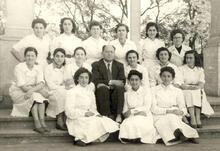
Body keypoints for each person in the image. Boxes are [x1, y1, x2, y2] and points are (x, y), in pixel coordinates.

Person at [65, 68, 119, 146]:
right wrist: (84, 113)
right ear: (77, 79)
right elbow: (69, 111)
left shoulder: (90, 92)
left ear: (89, 79)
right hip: (76, 117)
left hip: (89, 115)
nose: (84, 80)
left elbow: (93, 108)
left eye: (86, 77)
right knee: (88, 122)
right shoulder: (72, 92)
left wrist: (96, 114)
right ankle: (80, 139)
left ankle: (87, 138)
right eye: (81, 77)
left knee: (104, 120)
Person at [151, 66, 199, 146]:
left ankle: (180, 135)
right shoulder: (153, 90)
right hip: (159, 115)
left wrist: (181, 112)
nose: (166, 78)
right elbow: (153, 108)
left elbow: (183, 108)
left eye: (169, 76)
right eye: (164, 76)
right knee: (168, 119)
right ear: (160, 77)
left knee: (172, 118)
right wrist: (169, 111)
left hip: (174, 114)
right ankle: (184, 135)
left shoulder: (177, 91)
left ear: (172, 78)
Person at [9, 47, 49, 134]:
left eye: (32, 56)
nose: (30, 58)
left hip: (32, 90)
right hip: (18, 91)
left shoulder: (38, 67)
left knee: (39, 96)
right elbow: (23, 87)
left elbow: (41, 83)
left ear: (36, 57)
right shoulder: (19, 67)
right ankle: (37, 123)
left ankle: (42, 122)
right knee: (35, 96)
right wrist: (38, 90)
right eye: (28, 56)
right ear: (24, 57)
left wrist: (35, 90)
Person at [119, 70, 158, 144]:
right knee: (126, 124)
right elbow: (125, 111)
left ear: (140, 81)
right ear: (129, 81)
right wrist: (134, 112)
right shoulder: (126, 94)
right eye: (132, 80)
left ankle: (139, 137)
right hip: (131, 116)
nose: (134, 82)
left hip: (145, 115)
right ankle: (132, 138)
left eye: (136, 80)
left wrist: (132, 110)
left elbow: (146, 107)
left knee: (139, 122)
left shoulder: (146, 91)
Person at [179, 50, 214, 128]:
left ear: (195, 59)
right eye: (187, 58)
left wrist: (197, 87)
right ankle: (192, 117)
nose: (188, 60)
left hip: (196, 88)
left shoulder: (199, 69)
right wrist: (189, 87)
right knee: (189, 93)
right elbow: (180, 83)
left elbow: (201, 82)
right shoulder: (181, 69)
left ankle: (198, 118)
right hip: (185, 89)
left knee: (197, 92)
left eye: (191, 58)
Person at [92, 45, 126, 123]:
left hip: (115, 90)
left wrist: (110, 82)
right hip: (102, 91)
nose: (109, 54)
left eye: (111, 52)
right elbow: (96, 80)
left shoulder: (119, 65)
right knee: (102, 88)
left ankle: (118, 114)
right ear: (102, 53)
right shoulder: (96, 65)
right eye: (107, 52)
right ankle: (105, 115)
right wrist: (113, 82)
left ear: (114, 53)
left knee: (120, 88)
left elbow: (122, 81)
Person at [44, 48, 67, 130]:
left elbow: (67, 82)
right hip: (50, 91)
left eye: (62, 56)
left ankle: (65, 117)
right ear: (53, 57)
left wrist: (62, 86)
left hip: (62, 91)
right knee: (61, 93)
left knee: (65, 93)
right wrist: (62, 86)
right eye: (57, 56)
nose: (59, 58)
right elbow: (50, 84)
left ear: (64, 58)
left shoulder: (65, 68)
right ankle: (60, 119)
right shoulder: (48, 68)